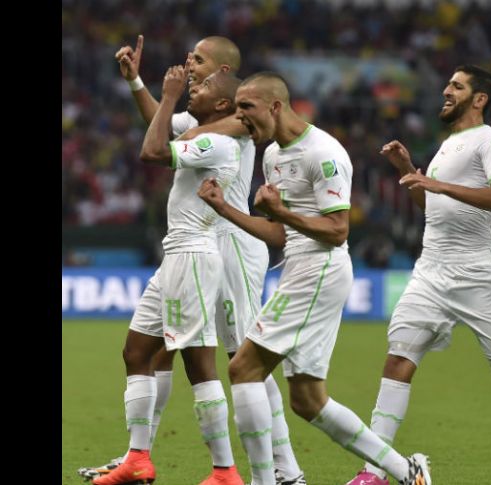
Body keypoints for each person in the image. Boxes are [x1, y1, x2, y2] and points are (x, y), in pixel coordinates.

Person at [80, 36, 306, 485]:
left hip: (231, 242)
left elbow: (165, 146)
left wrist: (184, 123)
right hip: (198, 240)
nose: (189, 64)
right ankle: (137, 454)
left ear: (224, 76)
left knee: (243, 360)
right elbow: (163, 129)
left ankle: (283, 471)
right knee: (157, 351)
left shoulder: (241, 116)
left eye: (199, 60)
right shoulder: (206, 115)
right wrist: (138, 83)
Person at [197, 71, 431, 485]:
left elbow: (338, 229)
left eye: (246, 108)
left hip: (320, 270)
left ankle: (266, 481)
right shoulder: (272, 156)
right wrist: (226, 210)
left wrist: (282, 213)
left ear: (275, 106)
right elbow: (280, 233)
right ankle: (406, 470)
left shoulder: (323, 153)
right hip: (300, 267)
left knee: (243, 368)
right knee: (309, 401)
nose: (240, 118)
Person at [346, 65, 491, 485]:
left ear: (479, 99)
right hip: (430, 273)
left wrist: (437, 184)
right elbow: (430, 206)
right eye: (448, 83)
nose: (446, 90)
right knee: (398, 360)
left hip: (477, 277)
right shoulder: (447, 146)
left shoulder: (490, 140)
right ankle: (374, 472)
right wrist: (407, 168)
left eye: (457, 86)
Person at [90, 65, 245, 485]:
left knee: (198, 363)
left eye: (206, 85)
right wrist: (146, 87)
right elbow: (161, 133)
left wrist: (172, 96)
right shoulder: (207, 135)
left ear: (223, 105)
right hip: (174, 257)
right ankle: (138, 457)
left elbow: (152, 151)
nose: (196, 86)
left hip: (193, 256)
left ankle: (225, 470)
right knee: (136, 352)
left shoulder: (219, 142)